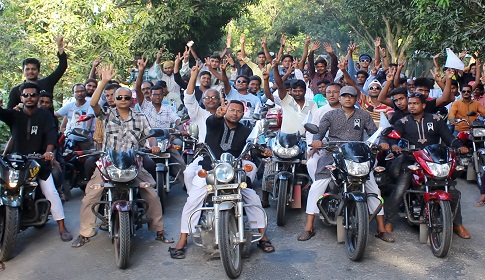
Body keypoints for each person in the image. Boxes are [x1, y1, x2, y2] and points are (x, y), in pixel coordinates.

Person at [72, 64, 172, 247]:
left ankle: (159, 231)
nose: (123, 100)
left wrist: (154, 146)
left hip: (134, 163)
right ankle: (84, 233)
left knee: (151, 193)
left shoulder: (140, 117)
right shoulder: (107, 115)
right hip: (108, 164)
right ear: (115, 100)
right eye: (120, 97)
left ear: (131, 100)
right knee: (90, 196)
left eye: (127, 97)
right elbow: (93, 104)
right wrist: (102, 82)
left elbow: (149, 135)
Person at [169, 100, 275, 259]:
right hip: (211, 170)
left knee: (252, 198)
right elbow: (212, 120)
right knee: (193, 201)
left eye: (239, 111)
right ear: (225, 110)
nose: (235, 113)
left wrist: (264, 150)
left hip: (234, 171)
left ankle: (262, 237)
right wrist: (217, 115)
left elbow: (254, 146)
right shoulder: (214, 123)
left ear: (243, 113)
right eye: (232, 110)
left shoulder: (245, 130)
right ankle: (182, 240)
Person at [298, 86, 393, 242]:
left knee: (374, 188)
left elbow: (373, 132)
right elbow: (319, 132)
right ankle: (308, 227)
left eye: (351, 96)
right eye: (345, 96)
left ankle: (381, 229)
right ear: (340, 99)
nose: (348, 98)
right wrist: (316, 140)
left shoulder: (364, 115)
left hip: (357, 154)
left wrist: (382, 142)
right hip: (333, 153)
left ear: (356, 99)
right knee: (318, 186)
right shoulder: (329, 115)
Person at [385, 93, 471, 239]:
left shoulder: (435, 119)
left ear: (423, 105)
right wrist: (393, 146)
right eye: (410, 103)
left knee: (451, 189)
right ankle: (388, 222)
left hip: (434, 160)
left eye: (416, 103)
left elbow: (448, 137)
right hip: (411, 159)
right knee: (401, 188)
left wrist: (459, 146)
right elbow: (393, 136)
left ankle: (457, 224)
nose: (412, 106)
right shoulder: (403, 121)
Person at [0, 82, 72, 241]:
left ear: (38, 97)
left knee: (51, 191)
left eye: (33, 95)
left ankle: (62, 227)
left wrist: (48, 152)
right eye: (26, 95)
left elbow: (51, 136)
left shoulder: (45, 116)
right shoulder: (14, 114)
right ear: (21, 98)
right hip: (15, 162)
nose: (29, 98)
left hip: (38, 162)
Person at [136, 58, 187, 185]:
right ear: (151, 95)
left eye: (159, 95)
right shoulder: (145, 106)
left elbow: (177, 120)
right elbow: (137, 89)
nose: (157, 97)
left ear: (163, 95)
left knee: (180, 162)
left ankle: (186, 186)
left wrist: (182, 131)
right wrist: (141, 71)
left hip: (165, 141)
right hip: (147, 142)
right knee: (137, 160)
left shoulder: (168, 108)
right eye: (154, 94)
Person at [8, 36, 67, 109]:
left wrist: (60, 47)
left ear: (38, 71)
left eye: (33, 69)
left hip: (47, 119)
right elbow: (9, 113)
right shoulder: (16, 91)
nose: (30, 72)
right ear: (23, 72)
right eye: (27, 69)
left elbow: (62, 67)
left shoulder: (47, 83)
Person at [54, 84, 95, 150]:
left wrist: (86, 121)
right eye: (77, 92)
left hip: (85, 138)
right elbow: (55, 115)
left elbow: (90, 116)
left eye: (82, 91)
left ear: (85, 92)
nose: (80, 93)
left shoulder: (90, 105)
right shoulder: (69, 106)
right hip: (70, 137)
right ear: (73, 93)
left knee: (91, 157)